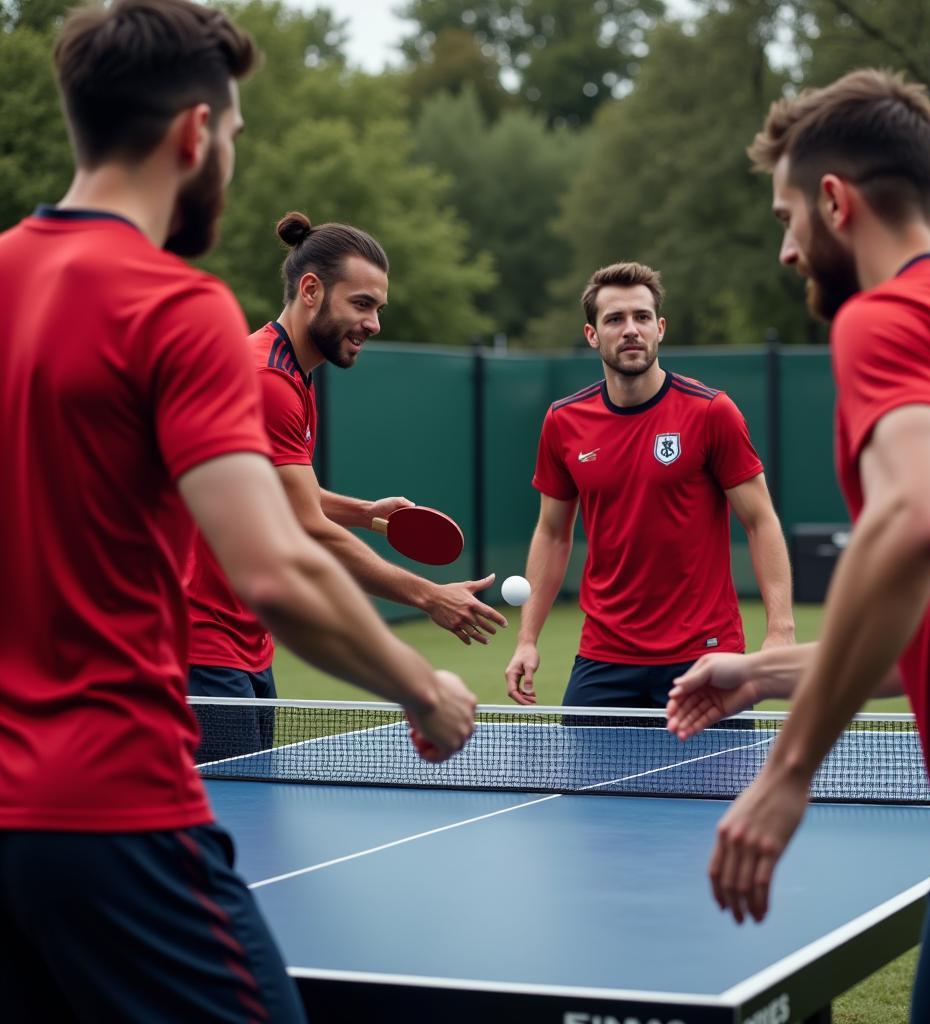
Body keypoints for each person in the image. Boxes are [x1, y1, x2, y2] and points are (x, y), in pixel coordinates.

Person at [0, 2, 475, 1022]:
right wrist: (419, 689)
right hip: (116, 807)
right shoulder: (181, 310)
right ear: (192, 134)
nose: (232, 161)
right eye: (236, 136)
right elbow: (277, 563)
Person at [665, 69, 930, 1022]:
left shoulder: (889, 319)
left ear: (835, 201)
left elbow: (914, 522)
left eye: (788, 216)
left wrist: (788, 773)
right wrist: (763, 672)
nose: (787, 249)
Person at [186, 211, 507, 750]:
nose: (375, 323)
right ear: (311, 290)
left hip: (244, 639)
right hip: (198, 642)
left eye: (378, 308)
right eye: (362, 304)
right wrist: (430, 596)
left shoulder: (289, 370)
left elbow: (275, 490)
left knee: (249, 813)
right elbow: (307, 527)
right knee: (222, 823)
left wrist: (364, 511)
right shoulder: (269, 381)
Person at [505, 262, 795, 708]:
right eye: (615, 319)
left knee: (724, 781)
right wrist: (527, 639)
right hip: (604, 656)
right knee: (575, 780)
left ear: (660, 328)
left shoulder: (711, 412)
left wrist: (780, 631)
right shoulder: (563, 422)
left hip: (705, 653)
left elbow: (760, 522)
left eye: (642, 317)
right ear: (591, 334)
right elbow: (552, 532)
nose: (630, 330)